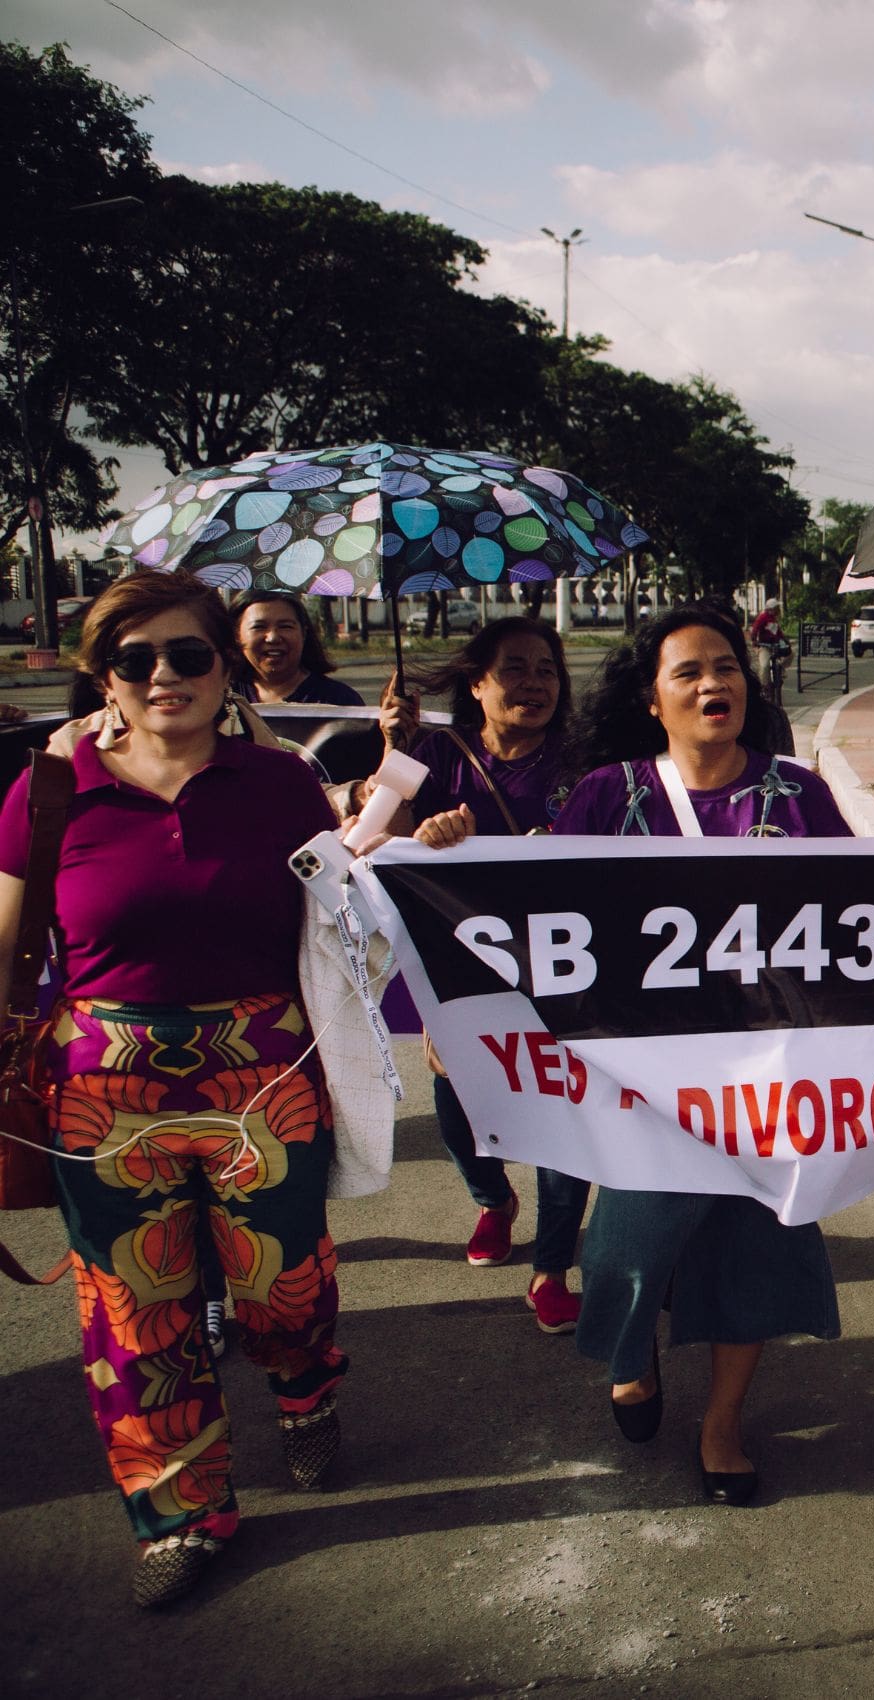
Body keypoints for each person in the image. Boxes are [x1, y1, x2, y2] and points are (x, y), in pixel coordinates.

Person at [0, 571, 354, 1606]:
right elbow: (10, 935)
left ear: (223, 664)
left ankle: (304, 1385)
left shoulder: (281, 779)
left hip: (264, 1074)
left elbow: (349, 909)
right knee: (135, 1305)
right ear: (100, 671)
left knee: (281, 1284)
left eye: (189, 654)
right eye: (136, 658)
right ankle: (184, 1509)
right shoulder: (50, 789)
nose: (165, 676)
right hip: (103, 1088)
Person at [554, 606, 853, 1507]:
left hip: (768, 1078)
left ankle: (722, 1427)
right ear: (653, 699)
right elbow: (540, 917)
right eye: (688, 672)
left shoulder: (798, 795)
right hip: (640, 1081)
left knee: (752, 1256)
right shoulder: (608, 795)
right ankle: (630, 1344)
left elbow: (857, 913)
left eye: (726, 667)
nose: (712, 685)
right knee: (622, 1250)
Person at [395, 616, 593, 1330]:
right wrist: (410, 812)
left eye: (546, 669)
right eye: (514, 668)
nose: (534, 683)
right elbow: (382, 851)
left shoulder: (583, 762)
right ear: (476, 684)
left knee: (563, 1115)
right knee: (458, 1112)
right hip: (461, 968)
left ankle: (552, 1268)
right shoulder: (433, 754)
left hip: (563, 967)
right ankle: (491, 1200)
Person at [231, 588, 365, 707]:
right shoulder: (223, 699)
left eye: (285, 626)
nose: (273, 638)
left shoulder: (340, 700)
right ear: (237, 635)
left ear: (304, 633)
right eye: (259, 627)